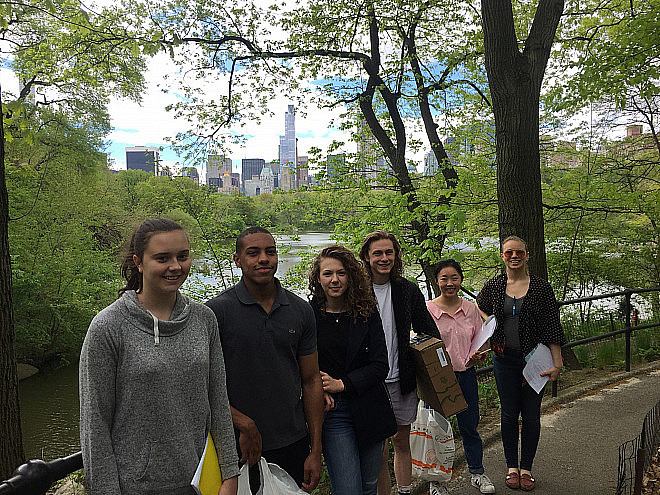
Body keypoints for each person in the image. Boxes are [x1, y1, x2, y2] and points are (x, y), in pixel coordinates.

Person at [79, 218, 239, 495]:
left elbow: (218, 401)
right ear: (138, 262)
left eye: (182, 256)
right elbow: (95, 425)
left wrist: (230, 473)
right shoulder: (108, 327)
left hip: (202, 481)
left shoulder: (204, 319)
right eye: (162, 258)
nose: (175, 267)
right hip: (136, 487)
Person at [206, 227, 323, 493]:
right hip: (236, 445)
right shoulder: (216, 313)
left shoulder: (300, 310)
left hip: (292, 441)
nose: (263, 259)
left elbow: (311, 380)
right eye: (253, 253)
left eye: (270, 252)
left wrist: (315, 450)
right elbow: (202, 386)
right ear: (237, 260)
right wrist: (242, 422)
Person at [475, 236, 565, 492]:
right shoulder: (494, 286)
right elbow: (477, 308)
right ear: (502, 256)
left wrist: (557, 363)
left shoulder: (541, 288)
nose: (514, 257)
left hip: (535, 360)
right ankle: (511, 467)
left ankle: (527, 468)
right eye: (508, 253)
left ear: (527, 255)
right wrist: (489, 326)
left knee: (532, 415)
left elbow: (552, 327)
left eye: (519, 253)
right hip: (504, 360)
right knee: (508, 414)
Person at [309, 244, 397, 495]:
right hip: (334, 412)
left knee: (369, 487)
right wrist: (318, 386)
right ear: (318, 278)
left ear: (351, 276)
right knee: (348, 489)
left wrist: (343, 383)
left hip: (370, 406)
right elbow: (299, 362)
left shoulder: (366, 312)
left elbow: (381, 365)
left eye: (341, 273)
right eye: (327, 274)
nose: (335, 280)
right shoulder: (309, 314)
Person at [358, 231, 440, 495]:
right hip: (370, 382)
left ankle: (404, 490)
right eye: (378, 253)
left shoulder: (406, 290)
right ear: (367, 258)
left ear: (396, 255)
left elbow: (428, 330)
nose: (384, 258)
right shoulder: (356, 290)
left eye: (389, 252)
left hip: (400, 378)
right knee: (378, 449)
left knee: (401, 440)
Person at [426, 260, 495, 494]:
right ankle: (436, 481)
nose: (449, 283)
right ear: (437, 281)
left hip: (465, 375)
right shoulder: (428, 310)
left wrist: (479, 354)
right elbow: (419, 343)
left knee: (469, 427)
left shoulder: (471, 308)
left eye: (454, 278)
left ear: (461, 280)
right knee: (437, 429)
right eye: (444, 278)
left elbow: (481, 337)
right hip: (437, 380)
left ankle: (477, 472)